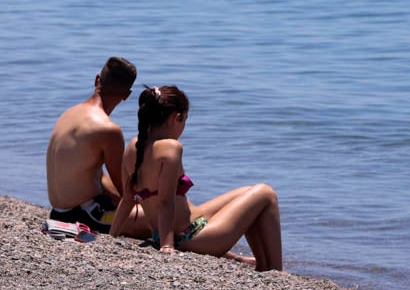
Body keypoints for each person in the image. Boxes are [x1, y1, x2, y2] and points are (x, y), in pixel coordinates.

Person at [111, 85, 283, 271]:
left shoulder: (133, 146)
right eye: (185, 121)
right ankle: (275, 269)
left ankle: (263, 265)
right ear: (177, 118)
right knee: (266, 193)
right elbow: (166, 201)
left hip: (171, 232)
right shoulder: (171, 148)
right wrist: (167, 246)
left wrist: (111, 236)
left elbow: (127, 199)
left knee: (248, 193)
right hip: (189, 238)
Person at [45, 56, 140, 234]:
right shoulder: (108, 130)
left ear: (97, 79)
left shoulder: (69, 113)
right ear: (127, 95)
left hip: (58, 212)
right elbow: (125, 189)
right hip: (86, 215)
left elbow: (90, 173)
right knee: (154, 218)